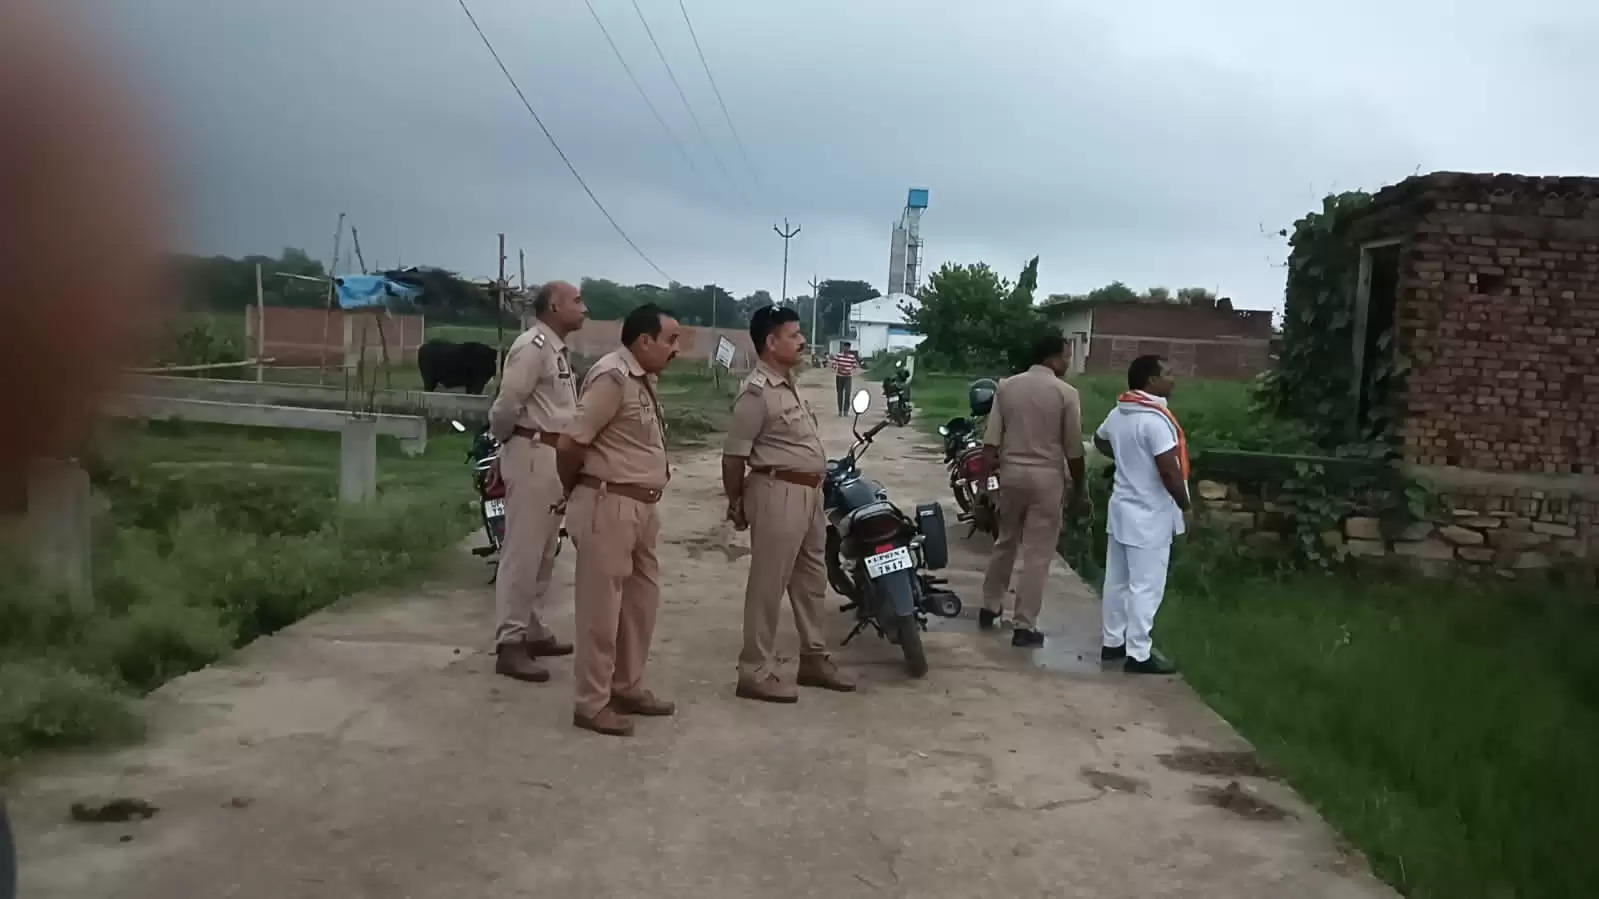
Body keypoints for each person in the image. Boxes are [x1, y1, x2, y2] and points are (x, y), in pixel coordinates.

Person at [555, 304, 682, 736]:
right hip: (608, 503)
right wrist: (576, 491)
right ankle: (591, 703)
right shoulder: (612, 376)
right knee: (601, 611)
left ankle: (626, 686)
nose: (676, 350)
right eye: (670, 340)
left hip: (640, 508)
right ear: (644, 341)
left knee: (639, 604)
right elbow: (572, 442)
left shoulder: (641, 379)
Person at [723, 306, 857, 702]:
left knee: (812, 580)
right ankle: (754, 670)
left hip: (810, 494)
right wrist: (736, 502)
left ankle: (814, 658)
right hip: (776, 491)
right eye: (794, 334)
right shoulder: (756, 392)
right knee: (768, 585)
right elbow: (734, 457)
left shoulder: (788, 383)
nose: (802, 341)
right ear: (771, 342)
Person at [485, 281, 587, 682]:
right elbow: (506, 404)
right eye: (576, 301)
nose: (584, 307)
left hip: (552, 455)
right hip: (533, 453)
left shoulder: (557, 350)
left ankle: (531, 628)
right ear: (554, 305)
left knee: (545, 550)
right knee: (523, 552)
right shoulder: (533, 347)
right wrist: (507, 442)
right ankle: (509, 643)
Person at [978, 333, 1086, 647]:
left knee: (1006, 541)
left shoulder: (1006, 387)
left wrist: (984, 486)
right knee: (1038, 553)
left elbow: (990, 442)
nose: (1067, 361)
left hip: (1012, 475)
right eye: (1066, 355)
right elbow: (1074, 449)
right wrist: (1080, 488)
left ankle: (990, 606)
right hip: (1046, 480)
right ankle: (1024, 624)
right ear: (1052, 358)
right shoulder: (1067, 393)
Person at [1093, 355, 1190, 675]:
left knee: (1117, 581)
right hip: (1150, 514)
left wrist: (1125, 459)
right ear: (1151, 381)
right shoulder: (1154, 420)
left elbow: (1099, 439)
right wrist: (1186, 506)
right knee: (1146, 586)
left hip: (1121, 508)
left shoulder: (1120, 411)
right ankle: (1138, 653)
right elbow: (1170, 472)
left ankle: (1112, 643)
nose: (1173, 379)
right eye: (1168, 373)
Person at [829, 341, 859, 416]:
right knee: (840, 394)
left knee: (847, 394)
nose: (846, 348)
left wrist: (849, 369)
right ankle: (840, 410)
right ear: (843, 347)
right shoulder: (839, 355)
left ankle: (846, 410)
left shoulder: (852, 357)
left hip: (848, 377)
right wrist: (838, 367)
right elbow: (833, 364)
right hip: (839, 377)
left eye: (848, 347)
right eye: (845, 347)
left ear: (849, 348)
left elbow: (855, 365)